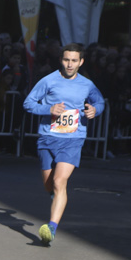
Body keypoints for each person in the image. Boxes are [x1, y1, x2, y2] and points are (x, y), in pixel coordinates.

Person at [22, 43, 104, 245]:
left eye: (74, 61)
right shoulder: (48, 81)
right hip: (47, 138)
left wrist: (95, 110)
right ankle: (55, 196)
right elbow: (28, 103)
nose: (69, 64)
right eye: (66, 60)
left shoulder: (87, 84)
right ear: (61, 60)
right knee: (49, 184)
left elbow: (99, 101)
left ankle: (51, 227)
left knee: (60, 182)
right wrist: (49, 109)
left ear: (81, 62)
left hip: (73, 139)